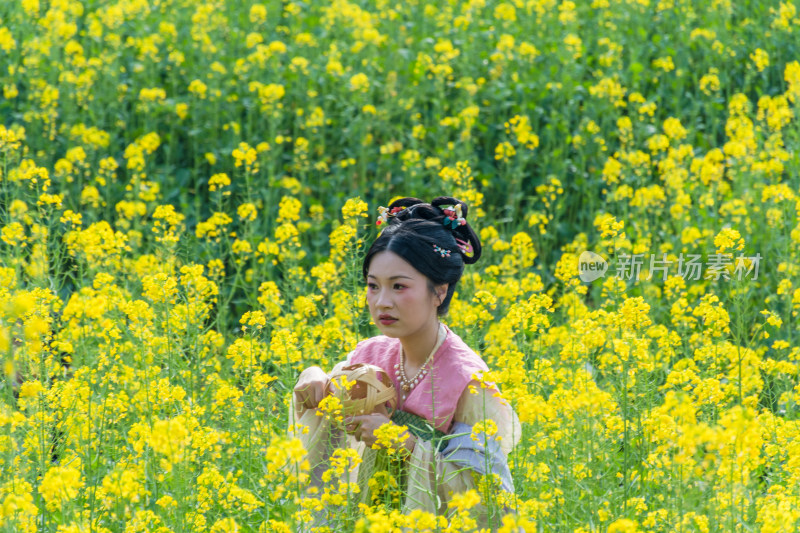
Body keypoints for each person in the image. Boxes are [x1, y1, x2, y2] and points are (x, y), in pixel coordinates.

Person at [290, 196, 521, 528]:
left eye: (399, 286)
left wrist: (406, 444)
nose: (382, 302)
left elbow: (487, 500)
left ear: (439, 291)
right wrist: (314, 377)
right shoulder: (369, 356)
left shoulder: (465, 380)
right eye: (373, 286)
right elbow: (327, 417)